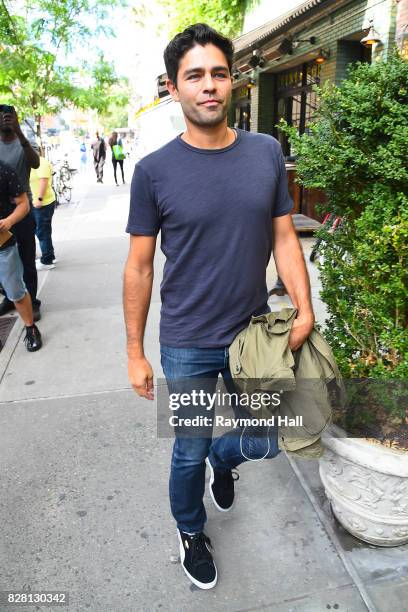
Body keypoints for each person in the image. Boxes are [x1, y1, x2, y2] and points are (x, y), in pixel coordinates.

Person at [123, 24, 315, 590]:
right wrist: (134, 352)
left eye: (218, 73)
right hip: (185, 341)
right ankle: (190, 528)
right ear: (174, 88)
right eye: (195, 76)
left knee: (269, 434)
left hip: (254, 333)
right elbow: (139, 266)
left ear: (233, 81)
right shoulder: (154, 171)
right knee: (188, 449)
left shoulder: (265, 153)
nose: (209, 86)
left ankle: (224, 462)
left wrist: (302, 310)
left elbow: (284, 238)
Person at [0, 106, 41, 320]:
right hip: (0, 216)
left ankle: (32, 301)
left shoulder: (23, 141)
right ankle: (10, 297)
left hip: (22, 210)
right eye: (1, 117)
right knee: (5, 262)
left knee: (26, 259)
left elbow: (35, 163)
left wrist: (19, 131)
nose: (4, 120)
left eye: (8, 117)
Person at [0, 161, 42, 351]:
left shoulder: (4, 170)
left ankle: (30, 328)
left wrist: (9, 221)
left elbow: (24, 204)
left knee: (16, 291)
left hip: (3, 244)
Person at [30, 154, 57, 270]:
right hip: (40, 203)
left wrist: (39, 198)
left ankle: (47, 260)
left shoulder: (40, 162)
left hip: (43, 203)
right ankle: (49, 255)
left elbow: (44, 180)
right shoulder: (35, 163)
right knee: (43, 230)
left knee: (42, 231)